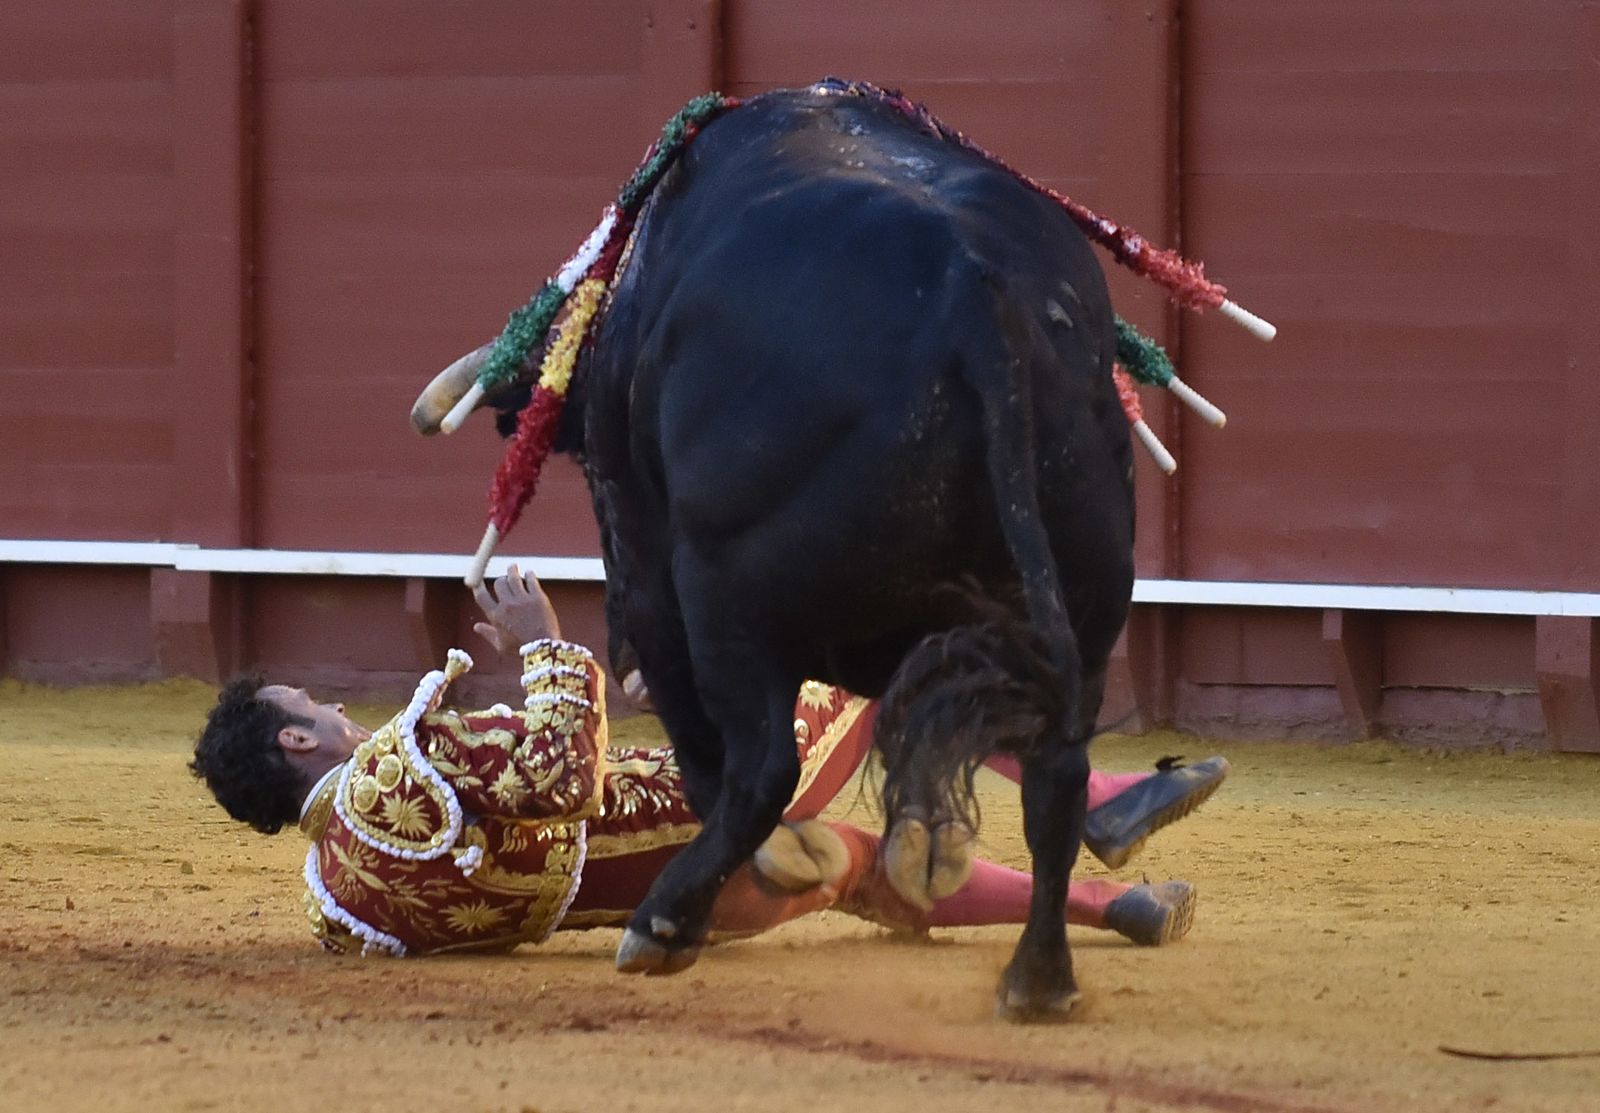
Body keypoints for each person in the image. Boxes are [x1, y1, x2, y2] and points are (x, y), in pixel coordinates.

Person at [189, 567, 1227, 958]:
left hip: (684, 907)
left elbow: (510, 819)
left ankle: (1100, 907)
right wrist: (551, 642)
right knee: (872, 665)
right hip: (711, 803)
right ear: (295, 742)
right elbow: (560, 777)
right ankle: (1096, 795)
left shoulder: (338, 894)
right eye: (310, 708)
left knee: (857, 864)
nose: (331, 708)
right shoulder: (393, 767)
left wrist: (505, 710)